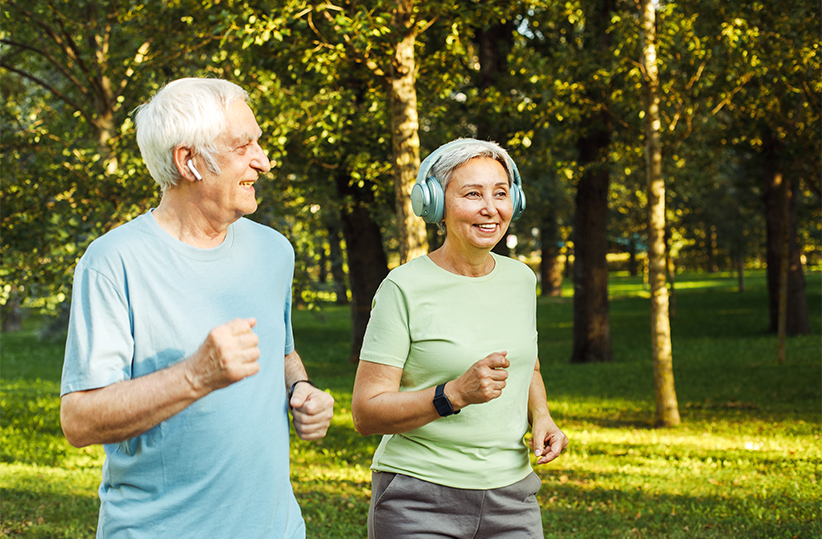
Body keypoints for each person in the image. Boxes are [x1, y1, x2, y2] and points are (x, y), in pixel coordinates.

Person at [59, 78, 334, 539]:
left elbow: (282, 349)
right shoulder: (111, 262)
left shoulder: (275, 250)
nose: (263, 162)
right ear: (188, 161)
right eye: (243, 146)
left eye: (259, 143)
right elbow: (80, 420)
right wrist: (196, 375)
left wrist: (302, 388)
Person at [351, 138, 569, 538]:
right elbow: (366, 413)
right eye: (472, 194)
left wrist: (542, 416)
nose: (491, 208)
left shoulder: (521, 279)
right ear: (435, 204)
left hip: (513, 496)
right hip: (419, 499)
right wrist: (453, 394)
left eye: (500, 193)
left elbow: (527, 366)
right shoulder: (403, 287)